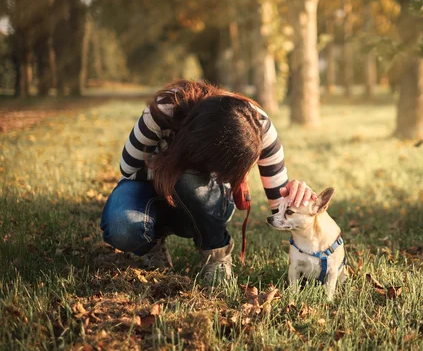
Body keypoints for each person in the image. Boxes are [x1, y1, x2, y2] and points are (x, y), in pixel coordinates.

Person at [100, 80, 316, 283]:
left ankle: (217, 252)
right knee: (123, 226)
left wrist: (297, 194)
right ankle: (152, 243)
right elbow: (129, 168)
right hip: (151, 193)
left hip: (211, 203)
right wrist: (169, 170)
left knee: (187, 180)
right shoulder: (164, 110)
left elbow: (279, 204)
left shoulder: (259, 126)